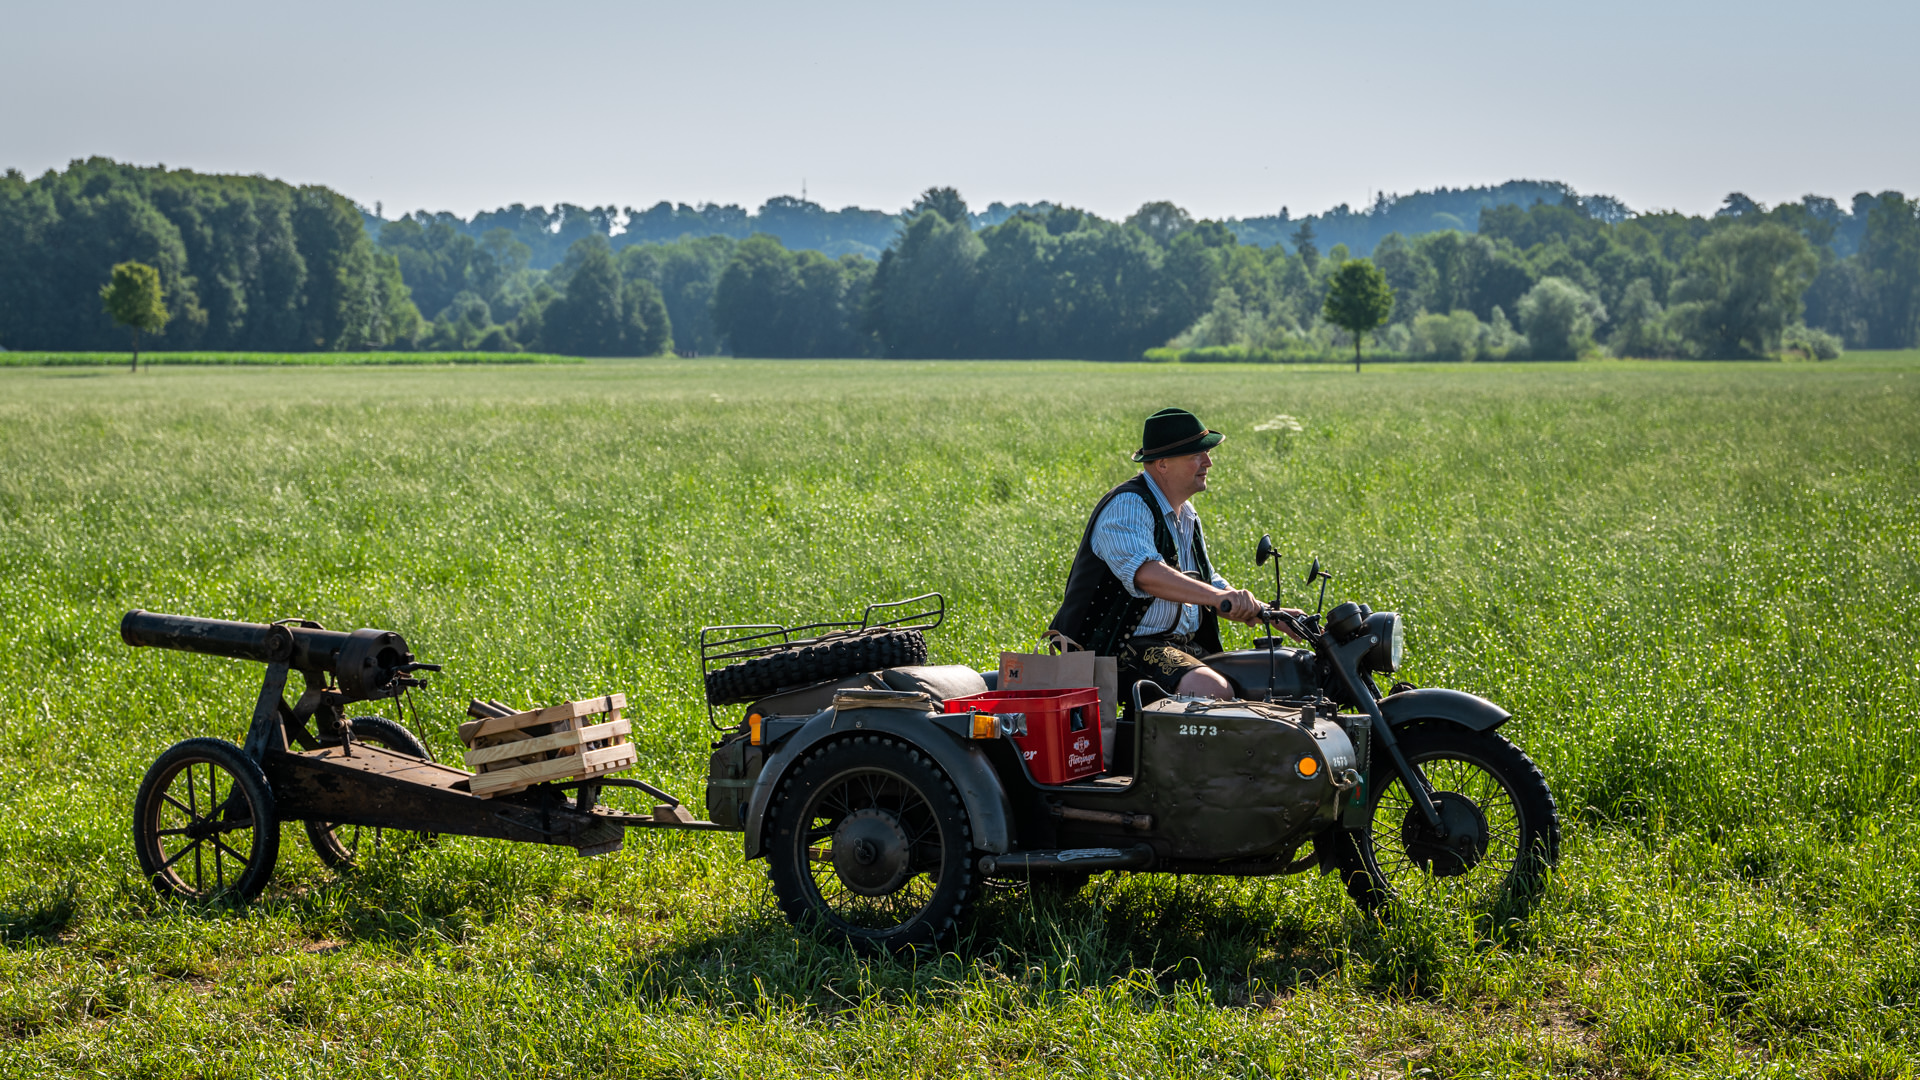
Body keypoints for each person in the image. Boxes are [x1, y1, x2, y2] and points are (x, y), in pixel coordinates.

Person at [1049, 407, 1302, 700]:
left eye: (1207, 453)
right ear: (1163, 464)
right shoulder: (1127, 506)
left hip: (1177, 644)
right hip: (1118, 648)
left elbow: (1205, 580)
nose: (1208, 462)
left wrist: (1268, 613)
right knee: (1211, 688)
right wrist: (1217, 598)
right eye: (1196, 454)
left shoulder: (1186, 513)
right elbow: (1146, 574)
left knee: (1261, 676)